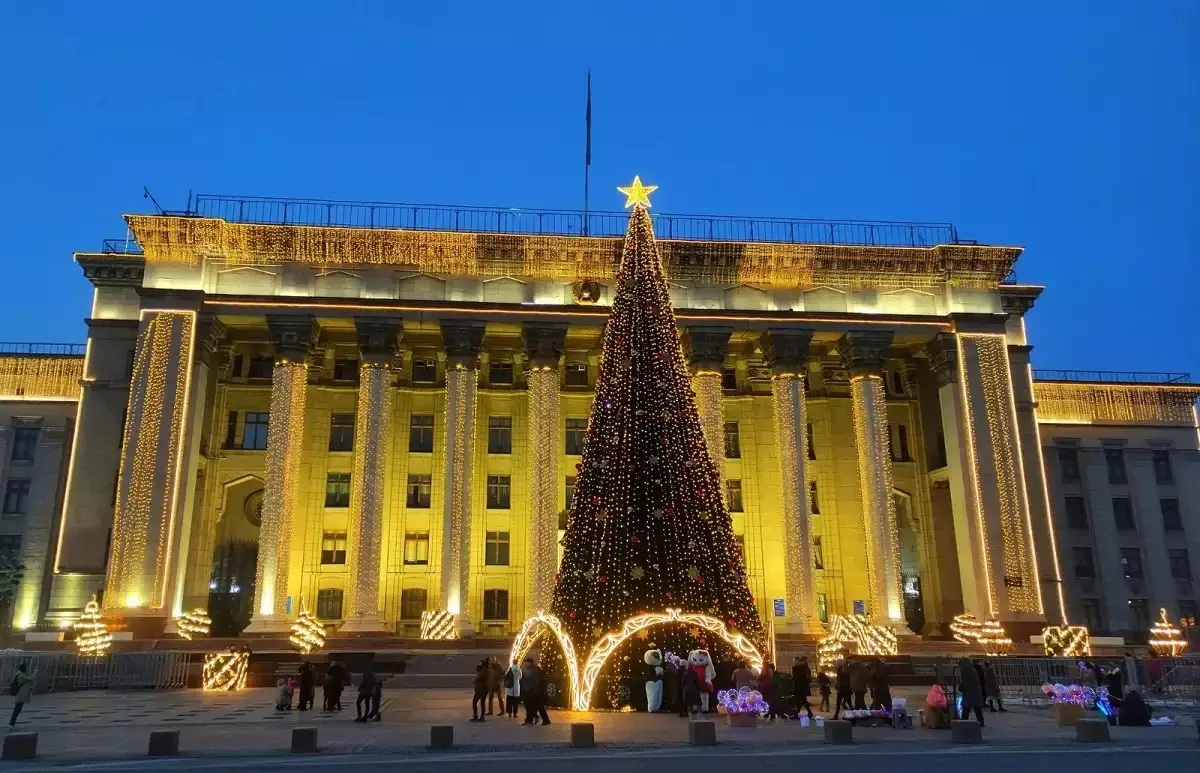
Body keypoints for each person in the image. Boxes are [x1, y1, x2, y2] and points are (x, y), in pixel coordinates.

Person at [520, 656, 550, 725]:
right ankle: (543, 720)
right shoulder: (526, 670)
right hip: (528, 691)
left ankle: (530, 720)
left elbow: (535, 681)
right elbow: (523, 680)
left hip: (532, 692)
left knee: (532, 706)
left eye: (526, 662)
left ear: (530, 663)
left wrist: (533, 689)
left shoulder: (534, 671)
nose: (525, 664)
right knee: (537, 706)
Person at [957, 658, 985, 726]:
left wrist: (961, 688)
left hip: (969, 694)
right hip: (976, 693)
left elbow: (965, 683)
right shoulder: (973, 670)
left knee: (965, 710)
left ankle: (963, 723)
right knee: (977, 710)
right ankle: (981, 722)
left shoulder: (966, 671)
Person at [9, 664, 33, 728]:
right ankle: (11, 724)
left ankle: (12, 724)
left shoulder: (17, 674)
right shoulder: (21, 676)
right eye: (26, 668)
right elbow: (30, 679)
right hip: (20, 694)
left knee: (17, 709)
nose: (27, 669)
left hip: (19, 694)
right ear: (24, 669)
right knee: (17, 709)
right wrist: (35, 672)